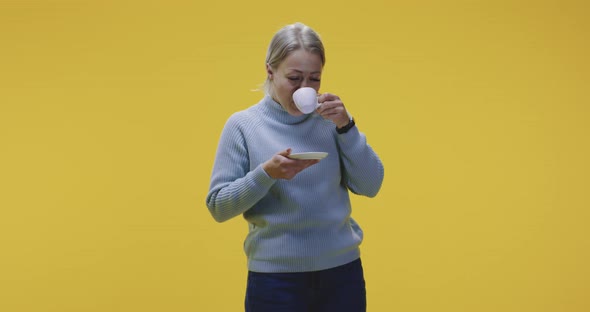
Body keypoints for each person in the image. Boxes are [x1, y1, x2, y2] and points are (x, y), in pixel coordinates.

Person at [206, 22, 384, 312]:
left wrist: (346, 126)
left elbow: (371, 184)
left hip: (342, 274)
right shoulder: (242, 125)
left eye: (314, 79)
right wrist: (265, 175)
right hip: (274, 281)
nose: (305, 89)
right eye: (294, 78)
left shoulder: (332, 122)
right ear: (270, 71)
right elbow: (218, 207)